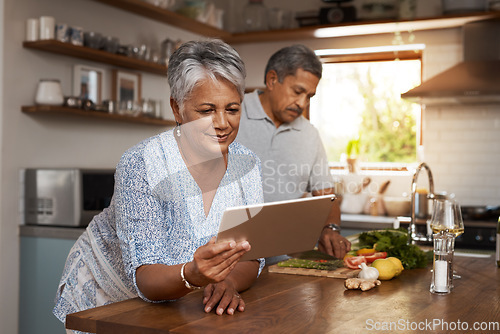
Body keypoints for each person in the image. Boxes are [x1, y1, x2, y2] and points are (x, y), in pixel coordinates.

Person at [53, 40, 265, 332]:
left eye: (232, 109)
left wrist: (225, 282)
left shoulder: (248, 163)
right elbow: (146, 278)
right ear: (177, 109)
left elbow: (252, 255)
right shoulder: (141, 164)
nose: (222, 123)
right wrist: (194, 274)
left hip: (182, 302)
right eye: (206, 110)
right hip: (112, 296)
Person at [236, 44, 351, 260]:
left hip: (283, 263)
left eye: (309, 96)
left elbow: (327, 197)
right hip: (230, 261)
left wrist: (331, 229)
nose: (302, 103)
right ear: (272, 80)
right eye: (297, 91)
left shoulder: (309, 134)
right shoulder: (232, 114)